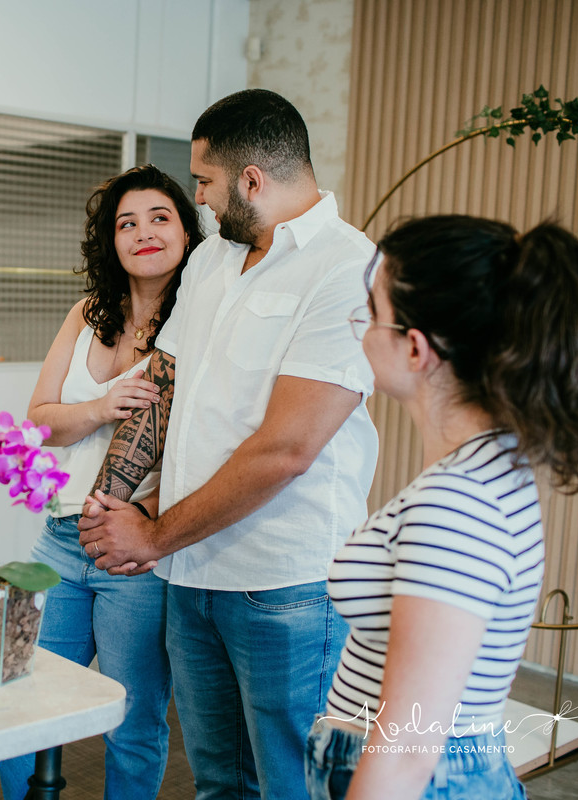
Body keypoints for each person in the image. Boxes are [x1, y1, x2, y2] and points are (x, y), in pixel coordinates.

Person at [77, 89, 379, 799]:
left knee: (292, 784)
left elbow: (286, 449)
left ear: (252, 181)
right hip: (193, 580)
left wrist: (149, 539)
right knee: (218, 782)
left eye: (205, 184)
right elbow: (163, 387)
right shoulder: (215, 260)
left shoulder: (348, 268)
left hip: (287, 587)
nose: (201, 202)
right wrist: (105, 511)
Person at [306, 216, 578, 800]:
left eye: (372, 314)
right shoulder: (492, 464)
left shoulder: (456, 505)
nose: (361, 331)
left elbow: (406, 750)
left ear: (417, 347)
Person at [0, 165, 205, 799]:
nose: (143, 232)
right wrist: (100, 406)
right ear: (110, 241)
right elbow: (38, 423)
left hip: (134, 556)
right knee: (13, 693)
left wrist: (149, 525)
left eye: (160, 217)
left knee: (133, 719)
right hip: (58, 541)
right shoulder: (88, 313)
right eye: (126, 222)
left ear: (187, 230)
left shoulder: (201, 324)